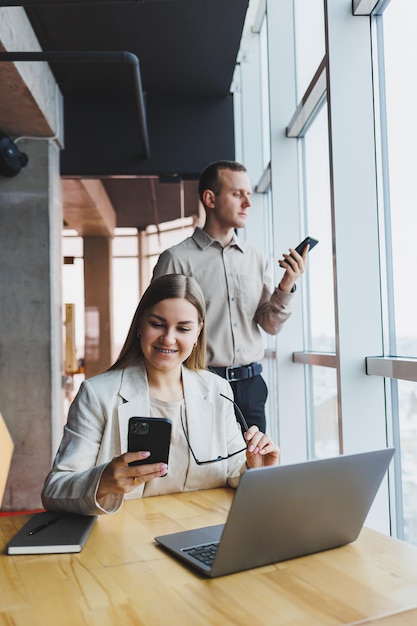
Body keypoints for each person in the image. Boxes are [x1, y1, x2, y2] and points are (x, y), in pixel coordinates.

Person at [41, 274, 279, 516]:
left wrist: (253, 468)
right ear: (140, 325)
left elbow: (232, 471)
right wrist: (102, 482)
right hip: (125, 542)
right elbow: (54, 490)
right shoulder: (98, 394)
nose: (168, 338)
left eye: (183, 328)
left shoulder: (218, 390)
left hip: (200, 533)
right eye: (157, 324)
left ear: (198, 333)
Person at [152, 160, 308, 433]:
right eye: (238, 194)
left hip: (252, 387)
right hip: (200, 385)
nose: (248, 203)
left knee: (254, 470)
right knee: (206, 471)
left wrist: (286, 286)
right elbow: (155, 326)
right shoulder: (176, 259)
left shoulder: (255, 258)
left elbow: (269, 325)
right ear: (210, 199)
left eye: (249, 195)